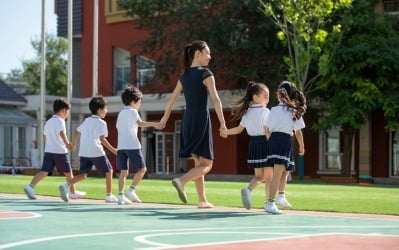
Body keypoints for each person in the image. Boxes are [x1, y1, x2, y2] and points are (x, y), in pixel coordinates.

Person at [160, 40, 227, 209]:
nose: (210, 57)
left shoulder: (184, 75)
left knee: (199, 164)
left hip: (187, 121)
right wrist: (223, 124)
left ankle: (202, 200)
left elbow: (172, 99)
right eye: (208, 53)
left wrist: (164, 119)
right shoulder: (205, 73)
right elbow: (216, 99)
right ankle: (181, 180)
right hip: (200, 120)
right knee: (207, 165)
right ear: (198, 53)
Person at [222, 82, 272, 210]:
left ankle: (249, 189)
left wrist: (226, 132)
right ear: (255, 97)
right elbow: (267, 131)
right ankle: (269, 203)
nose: (268, 99)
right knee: (269, 178)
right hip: (265, 144)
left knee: (259, 177)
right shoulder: (266, 112)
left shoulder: (247, 112)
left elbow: (239, 129)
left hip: (253, 145)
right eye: (265, 96)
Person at [58, 97, 118, 203]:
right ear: (99, 110)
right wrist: (113, 149)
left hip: (84, 152)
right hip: (96, 151)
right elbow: (102, 139)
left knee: (83, 174)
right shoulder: (102, 123)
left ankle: (66, 185)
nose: (106, 111)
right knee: (109, 172)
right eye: (105, 108)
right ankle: (109, 195)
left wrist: (73, 144)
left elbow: (76, 132)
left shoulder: (86, 120)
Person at [24, 98, 86, 200]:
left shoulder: (48, 122)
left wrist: (51, 143)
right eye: (68, 112)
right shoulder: (60, 121)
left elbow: (44, 137)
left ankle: (30, 186)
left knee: (44, 171)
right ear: (64, 110)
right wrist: (68, 144)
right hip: (60, 151)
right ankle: (73, 192)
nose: (67, 114)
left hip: (48, 151)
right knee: (68, 172)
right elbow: (62, 133)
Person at [264, 81, 306, 214]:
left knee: (286, 170)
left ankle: (281, 196)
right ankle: (270, 203)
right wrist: (302, 145)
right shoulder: (293, 111)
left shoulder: (273, 110)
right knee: (278, 172)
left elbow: (266, 128)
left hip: (274, 139)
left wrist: (271, 140)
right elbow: (298, 132)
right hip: (283, 140)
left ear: (279, 94)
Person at [116, 86, 161, 205]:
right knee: (142, 169)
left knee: (123, 172)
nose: (140, 104)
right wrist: (154, 124)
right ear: (134, 101)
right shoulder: (133, 111)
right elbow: (140, 123)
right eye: (139, 102)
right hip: (132, 145)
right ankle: (131, 190)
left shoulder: (120, 113)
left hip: (121, 146)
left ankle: (120, 196)